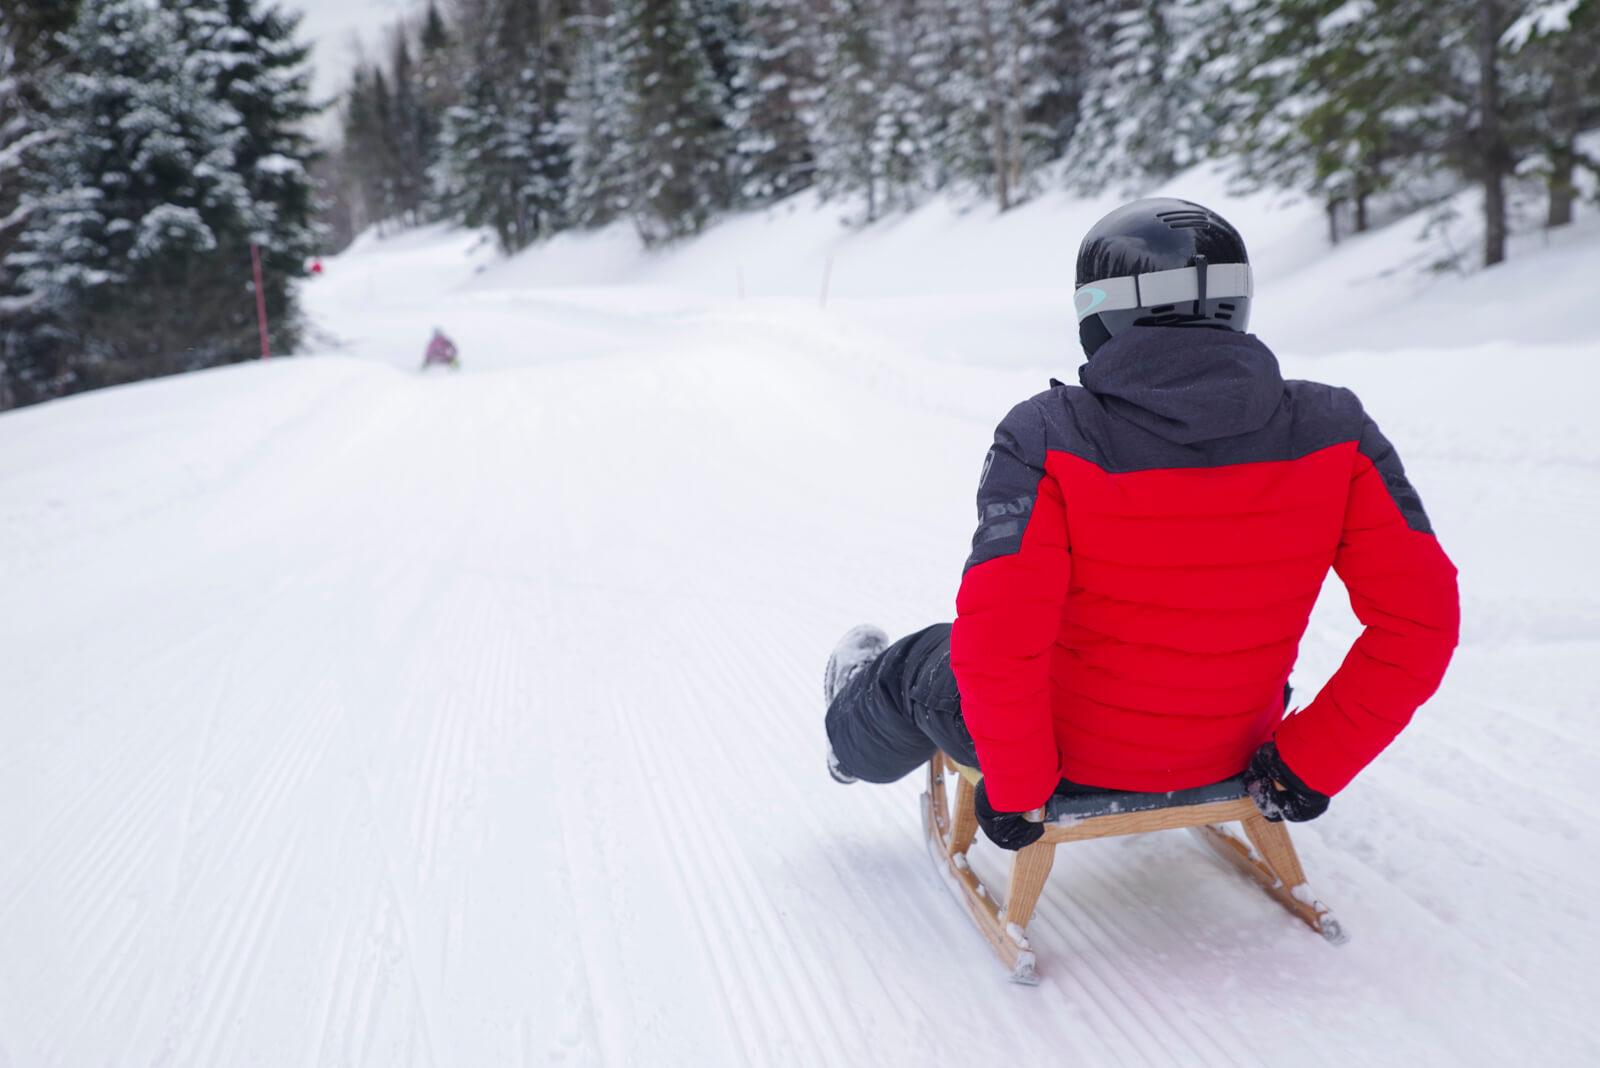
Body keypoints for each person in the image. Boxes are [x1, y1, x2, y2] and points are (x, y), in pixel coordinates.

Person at [823, 197, 1460, 853]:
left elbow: (1000, 638)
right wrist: (1308, 765)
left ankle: (848, 739)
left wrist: (1018, 790)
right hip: (1235, 742)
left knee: (917, 664)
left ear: (1101, 310)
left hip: (1068, 759)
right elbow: (1422, 623)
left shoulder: (1048, 434)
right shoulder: (1335, 430)